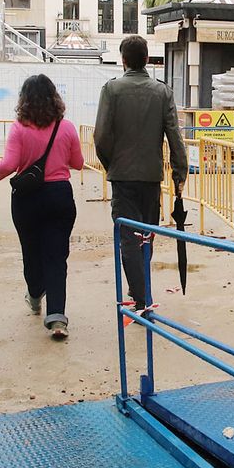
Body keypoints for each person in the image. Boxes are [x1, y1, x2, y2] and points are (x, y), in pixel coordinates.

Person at [0, 75, 84, 340]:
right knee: (56, 257)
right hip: (60, 196)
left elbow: (9, 164)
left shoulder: (19, 128)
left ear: (24, 100)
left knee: (31, 251)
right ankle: (57, 318)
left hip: (27, 198)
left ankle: (36, 293)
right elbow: (79, 163)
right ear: (54, 97)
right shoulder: (67, 127)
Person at [94, 35, 188, 307]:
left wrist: (112, 164)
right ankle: (140, 291)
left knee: (128, 237)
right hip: (150, 177)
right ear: (147, 59)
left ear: (123, 60)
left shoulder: (111, 90)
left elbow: (101, 137)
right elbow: (175, 136)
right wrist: (179, 173)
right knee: (146, 235)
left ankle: (140, 295)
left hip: (122, 177)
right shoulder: (162, 92)